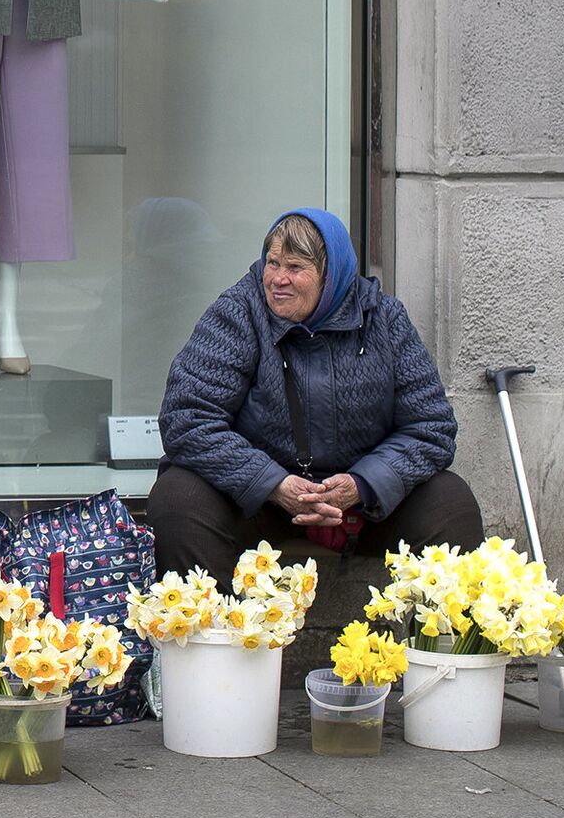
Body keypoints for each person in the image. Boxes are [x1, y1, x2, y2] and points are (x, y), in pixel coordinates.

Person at [151, 208, 483, 576]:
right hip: (260, 500)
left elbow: (431, 427)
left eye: (295, 268)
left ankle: (440, 634)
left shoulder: (384, 320)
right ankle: (211, 631)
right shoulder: (238, 314)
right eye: (272, 263)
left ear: (331, 274)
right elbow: (188, 419)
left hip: (363, 503)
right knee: (178, 497)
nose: (278, 278)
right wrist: (273, 483)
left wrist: (362, 484)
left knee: (451, 506)